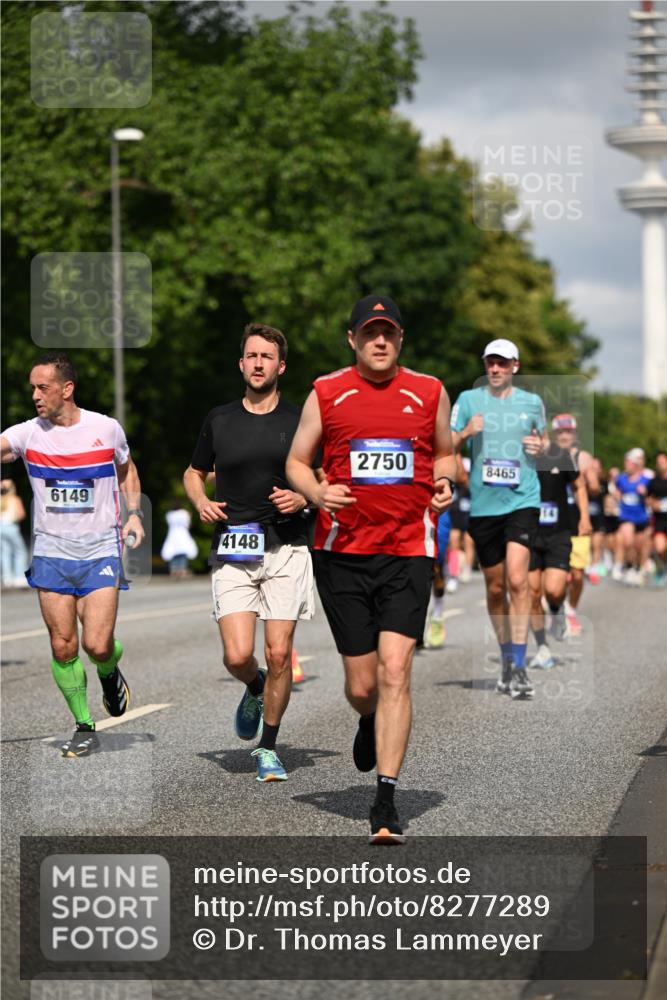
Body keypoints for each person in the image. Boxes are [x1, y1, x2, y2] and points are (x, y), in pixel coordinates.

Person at [286, 295, 455, 844]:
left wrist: (448, 480)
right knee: (363, 686)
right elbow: (295, 461)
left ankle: (385, 800)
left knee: (395, 670)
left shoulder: (428, 391)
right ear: (352, 339)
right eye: (369, 333)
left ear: (399, 340)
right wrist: (315, 489)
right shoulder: (327, 391)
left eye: (388, 333)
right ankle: (366, 718)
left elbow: (446, 452)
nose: (379, 341)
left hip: (409, 550)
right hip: (342, 554)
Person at [183, 323, 314, 783]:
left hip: (287, 546)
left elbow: (324, 475)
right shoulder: (220, 419)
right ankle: (254, 685)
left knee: (280, 654)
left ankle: (268, 748)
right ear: (241, 364)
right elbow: (194, 472)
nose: (258, 363)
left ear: (281, 366)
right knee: (239, 656)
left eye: (267, 357)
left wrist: (304, 498)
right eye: (251, 356)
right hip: (235, 546)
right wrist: (200, 499)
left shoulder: (300, 421)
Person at [0, 352, 144, 756]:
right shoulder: (29, 434)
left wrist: (133, 515)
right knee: (63, 646)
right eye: (32, 387)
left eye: (42, 387)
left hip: (100, 550)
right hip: (50, 553)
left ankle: (109, 669)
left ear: (67, 388)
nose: (35, 395)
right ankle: (84, 725)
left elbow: (127, 469)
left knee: (97, 644)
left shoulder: (106, 429)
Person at [451, 338, 546, 699]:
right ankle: (507, 659)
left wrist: (542, 447)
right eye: (491, 362)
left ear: (514, 367)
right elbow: (444, 443)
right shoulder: (467, 401)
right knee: (495, 587)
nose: (495, 369)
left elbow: (546, 443)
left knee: (518, 578)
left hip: (524, 499)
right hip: (484, 506)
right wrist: (465, 433)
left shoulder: (532, 403)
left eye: (502, 363)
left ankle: (520, 665)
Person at [529, 432, 589, 668]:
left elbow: (579, 486)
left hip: (558, 533)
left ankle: (557, 610)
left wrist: (584, 518)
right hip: (528, 533)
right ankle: (542, 647)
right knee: (533, 594)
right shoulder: (519, 456)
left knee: (553, 590)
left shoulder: (560, 455)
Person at [550, 414, 596, 635]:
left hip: (576, 523)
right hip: (553, 523)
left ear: (574, 434)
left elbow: (593, 489)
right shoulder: (547, 455)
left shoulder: (584, 458)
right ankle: (556, 609)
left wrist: (592, 481)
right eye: (560, 431)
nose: (565, 435)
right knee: (553, 576)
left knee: (577, 574)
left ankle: (570, 610)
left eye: (568, 431)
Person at [613, 448, 652, 585]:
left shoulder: (646, 479)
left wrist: (645, 494)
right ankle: (628, 566)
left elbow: (651, 498)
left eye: (628, 463)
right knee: (627, 540)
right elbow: (617, 492)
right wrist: (616, 497)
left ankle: (636, 568)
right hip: (626, 515)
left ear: (635, 464)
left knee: (639, 545)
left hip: (641, 517)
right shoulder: (621, 478)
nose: (626, 465)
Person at [0, 478, 29, 587]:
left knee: (5, 552)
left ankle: (7, 578)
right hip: (11, 527)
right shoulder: (15, 499)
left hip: (1, 528)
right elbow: (21, 514)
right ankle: (19, 577)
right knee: (20, 551)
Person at [161, 504, 198, 577]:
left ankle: (174, 570)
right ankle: (182, 570)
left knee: (173, 553)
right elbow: (187, 524)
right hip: (183, 534)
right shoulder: (184, 513)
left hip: (172, 535)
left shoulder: (169, 514)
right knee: (183, 554)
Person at [647, 450, 667, 583]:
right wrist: (654, 504)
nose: (659, 464)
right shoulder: (654, 481)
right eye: (658, 462)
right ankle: (663, 566)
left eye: (662, 462)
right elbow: (648, 499)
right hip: (660, 519)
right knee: (660, 548)